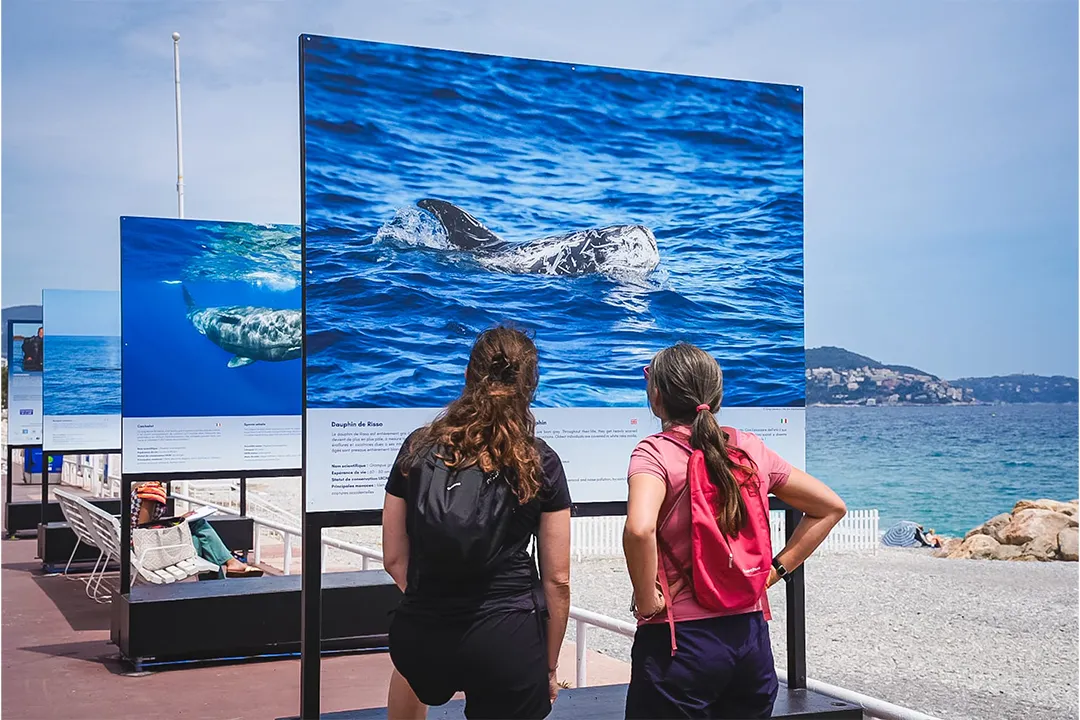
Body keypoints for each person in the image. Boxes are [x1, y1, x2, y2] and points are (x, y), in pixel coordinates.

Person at [623, 342, 847, 718]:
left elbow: (639, 530)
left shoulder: (655, 453)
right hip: (749, 640)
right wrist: (774, 573)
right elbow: (830, 507)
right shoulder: (750, 449)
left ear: (656, 397)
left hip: (680, 645)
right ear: (718, 394)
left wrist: (647, 600)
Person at [381, 326, 572, 720]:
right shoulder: (540, 461)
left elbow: (393, 558)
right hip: (507, 637)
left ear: (468, 377)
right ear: (530, 386)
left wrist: (430, 596)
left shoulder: (417, 446)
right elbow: (558, 581)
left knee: (408, 677)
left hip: (421, 636)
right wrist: (547, 665)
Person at [131, 482, 263, 579]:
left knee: (197, 539)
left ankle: (221, 580)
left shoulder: (138, 485)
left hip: (135, 544)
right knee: (199, 527)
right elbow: (144, 529)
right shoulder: (151, 490)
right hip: (146, 549)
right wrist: (175, 523)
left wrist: (180, 519)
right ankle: (227, 571)